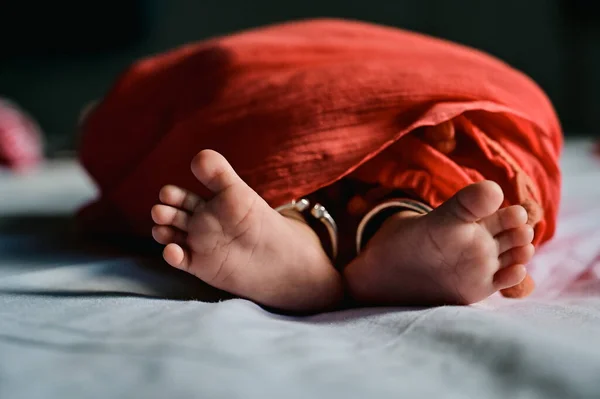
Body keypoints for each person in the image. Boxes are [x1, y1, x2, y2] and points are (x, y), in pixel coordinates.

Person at [78, 19, 562, 313]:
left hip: (258, 112)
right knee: (435, 154)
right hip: (438, 108)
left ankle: (295, 226)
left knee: (280, 160)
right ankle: (399, 221)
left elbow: (116, 129)